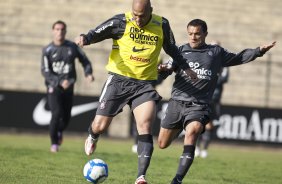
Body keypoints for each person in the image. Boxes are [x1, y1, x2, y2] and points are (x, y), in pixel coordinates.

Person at [75, 0, 197, 183]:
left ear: (151, 11)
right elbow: (100, 31)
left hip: (144, 84)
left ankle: (140, 176)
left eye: (142, 15)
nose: (138, 19)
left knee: (145, 126)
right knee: (100, 126)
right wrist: (87, 38)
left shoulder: (161, 24)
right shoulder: (121, 21)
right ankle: (93, 135)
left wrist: (185, 67)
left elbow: (171, 47)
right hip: (118, 80)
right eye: (135, 15)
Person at [157, 19, 276, 184]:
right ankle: (179, 128)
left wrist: (258, 51)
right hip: (177, 102)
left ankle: (177, 180)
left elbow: (239, 58)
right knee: (162, 144)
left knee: (193, 131)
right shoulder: (180, 50)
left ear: (205, 34)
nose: (193, 37)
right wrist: (162, 69)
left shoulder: (216, 52)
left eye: (197, 33)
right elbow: (167, 70)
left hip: (199, 104)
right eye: (190, 33)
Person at [41, 20, 94, 153]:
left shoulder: (72, 47)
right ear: (53, 31)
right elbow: (45, 71)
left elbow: (85, 61)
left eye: (62, 29)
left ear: (65, 31)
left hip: (69, 87)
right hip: (54, 87)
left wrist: (88, 73)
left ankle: (59, 132)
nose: (60, 32)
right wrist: (59, 82)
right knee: (56, 113)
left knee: (66, 117)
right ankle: (54, 144)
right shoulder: (47, 50)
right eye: (57, 29)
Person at [195, 40, 229, 158]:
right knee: (199, 123)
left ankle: (204, 149)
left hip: (214, 99)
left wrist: (211, 77)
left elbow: (224, 79)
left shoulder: (223, 63)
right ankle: (197, 148)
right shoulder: (204, 60)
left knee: (210, 125)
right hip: (203, 97)